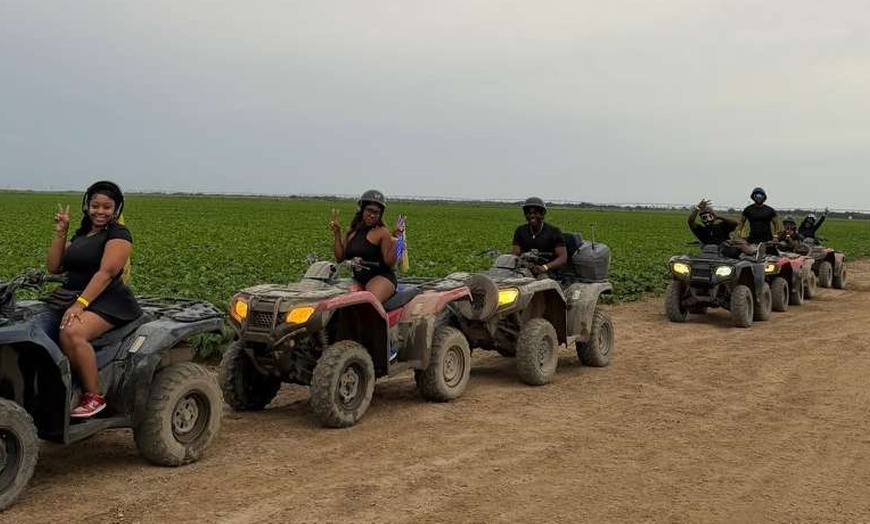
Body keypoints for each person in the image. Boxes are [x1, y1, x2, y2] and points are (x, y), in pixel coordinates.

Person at [46, 180, 142, 418]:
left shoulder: (119, 234)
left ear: (116, 209)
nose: (100, 211)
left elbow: (106, 273)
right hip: (75, 296)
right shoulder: (82, 235)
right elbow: (54, 267)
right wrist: (61, 232)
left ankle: (94, 396)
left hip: (109, 301)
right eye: (95, 205)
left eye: (107, 207)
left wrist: (81, 304)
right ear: (87, 206)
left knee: (72, 332)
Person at [330, 189, 402, 303]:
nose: (372, 215)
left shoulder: (382, 232)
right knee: (340, 303)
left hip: (381, 277)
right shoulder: (352, 231)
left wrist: (396, 240)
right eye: (369, 210)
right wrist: (337, 233)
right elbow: (340, 258)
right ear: (362, 209)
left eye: (376, 212)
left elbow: (389, 263)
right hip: (358, 279)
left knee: (369, 304)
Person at [511, 197, 568, 276]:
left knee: (541, 281)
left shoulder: (554, 231)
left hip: (548, 271)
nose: (532, 216)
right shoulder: (520, 230)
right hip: (524, 269)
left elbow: (562, 257)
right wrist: (525, 264)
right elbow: (515, 254)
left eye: (535, 213)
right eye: (529, 213)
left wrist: (545, 267)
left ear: (542, 214)